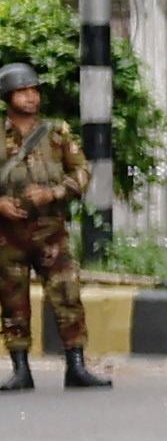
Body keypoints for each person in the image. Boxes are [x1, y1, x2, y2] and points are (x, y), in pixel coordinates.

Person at [0, 51, 104, 391]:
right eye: (23, 91)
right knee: (14, 302)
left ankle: (76, 366)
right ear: (8, 97)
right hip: (9, 237)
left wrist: (55, 193)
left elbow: (83, 171)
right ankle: (20, 370)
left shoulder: (56, 133)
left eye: (34, 90)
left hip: (50, 233)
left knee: (67, 296)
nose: (31, 96)